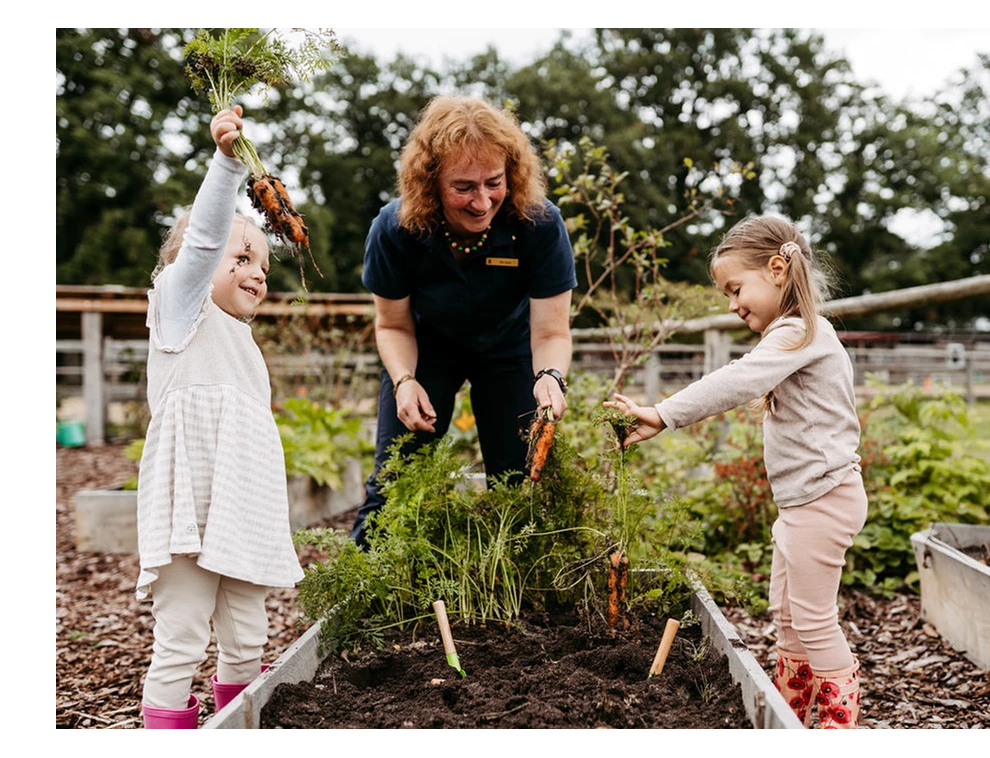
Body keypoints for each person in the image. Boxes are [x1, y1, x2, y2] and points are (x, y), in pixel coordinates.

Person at [604, 214, 867, 729]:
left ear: (776, 269)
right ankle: (791, 714)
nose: (732, 303)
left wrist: (664, 412)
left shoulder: (801, 332)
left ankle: (838, 721)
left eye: (735, 287)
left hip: (823, 500)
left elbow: (739, 379)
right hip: (804, 503)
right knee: (788, 620)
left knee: (814, 622)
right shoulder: (794, 335)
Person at [134, 105, 305, 729]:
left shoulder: (244, 346)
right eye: (241, 258)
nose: (257, 270)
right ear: (194, 267)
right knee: (180, 635)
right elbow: (205, 238)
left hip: (241, 516)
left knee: (249, 636)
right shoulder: (181, 316)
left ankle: (238, 719)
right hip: (187, 512)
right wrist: (228, 165)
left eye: (263, 263)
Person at [350, 95, 577, 549]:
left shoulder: (538, 224)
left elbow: (551, 331)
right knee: (397, 480)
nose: (482, 201)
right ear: (429, 182)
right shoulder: (395, 229)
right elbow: (392, 324)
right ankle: (365, 592)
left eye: (494, 183)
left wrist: (551, 376)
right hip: (428, 350)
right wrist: (404, 381)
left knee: (520, 484)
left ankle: (520, 592)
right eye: (463, 187)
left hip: (510, 352)